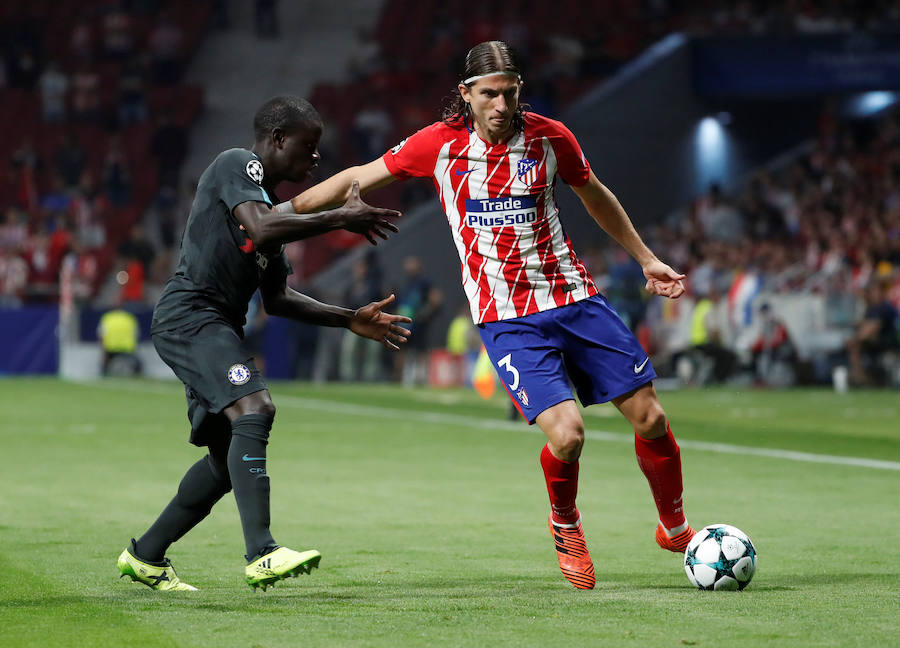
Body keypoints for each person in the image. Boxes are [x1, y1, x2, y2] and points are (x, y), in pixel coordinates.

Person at [293, 41, 695, 590]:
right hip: (508, 318)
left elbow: (594, 195)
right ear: (466, 94)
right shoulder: (439, 146)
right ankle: (566, 524)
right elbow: (358, 175)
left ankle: (673, 525)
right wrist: (280, 214)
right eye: (489, 94)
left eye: (509, 93)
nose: (501, 104)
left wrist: (647, 259)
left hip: (574, 298)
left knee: (651, 417)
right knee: (569, 435)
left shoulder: (551, 138)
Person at [117, 96, 409, 592]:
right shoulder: (235, 165)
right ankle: (262, 553)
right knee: (255, 407)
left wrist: (349, 319)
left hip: (215, 327)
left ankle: (146, 556)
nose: (316, 158)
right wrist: (338, 216)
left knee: (224, 460)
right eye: (308, 146)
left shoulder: (268, 212)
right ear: (277, 140)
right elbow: (260, 226)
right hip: (191, 317)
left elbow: (278, 298)